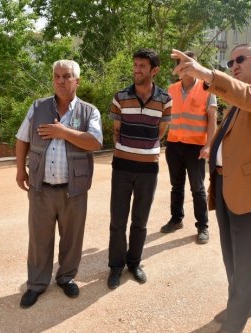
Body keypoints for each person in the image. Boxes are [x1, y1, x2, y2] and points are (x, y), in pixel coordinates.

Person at [171, 44, 251, 333]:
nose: (234, 65)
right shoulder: (239, 98)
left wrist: (204, 74)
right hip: (226, 184)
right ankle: (242, 305)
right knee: (232, 257)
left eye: (240, 59)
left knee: (247, 262)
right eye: (230, 61)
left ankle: (234, 324)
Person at [15, 59, 103, 308]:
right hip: (41, 187)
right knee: (39, 238)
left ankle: (66, 278)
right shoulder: (37, 107)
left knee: (72, 238)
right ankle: (36, 284)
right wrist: (20, 169)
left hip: (73, 190)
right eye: (57, 76)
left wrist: (62, 131)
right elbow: (22, 139)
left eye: (66, 76)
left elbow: (95, 142)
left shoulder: (89, 111)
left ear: (77, 81)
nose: (61, 81)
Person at [107, 48, 172, 289]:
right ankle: (115, 266)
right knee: (118, 219)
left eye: (142, 66)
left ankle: (134, 263)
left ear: (154, 70)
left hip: (149, 168)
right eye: (135, 65)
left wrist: (144, 150)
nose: (136, 70)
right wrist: (127, 150)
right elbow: (116, 130)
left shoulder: (165, 99)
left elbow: (160, 133)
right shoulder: (120, 97)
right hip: (122, 166)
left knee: (140, 220)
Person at [161, 51, 217, 244]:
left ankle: (203, 226)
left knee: (198, 188)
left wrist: (209, 145)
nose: (186, 68)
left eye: (189, 63)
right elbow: (165, 117)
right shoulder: (172, 89)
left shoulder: (207, 88)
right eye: (182, 64)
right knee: (176, 186)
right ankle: (176, 219)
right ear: (178, 68)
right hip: (174, 145)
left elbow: (212, 120)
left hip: (196, 147)